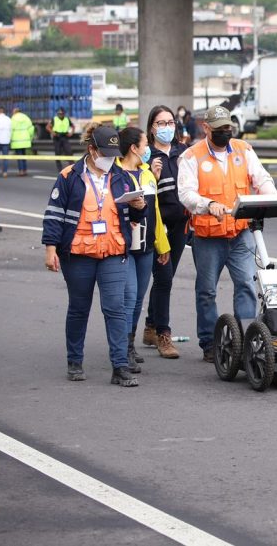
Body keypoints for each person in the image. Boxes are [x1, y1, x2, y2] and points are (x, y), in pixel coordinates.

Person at [177, 106, 277, 362]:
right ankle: (210, 343)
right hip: (208, 238)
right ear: (206, 129)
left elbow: (261, 178)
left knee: (247, 285)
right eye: (219, 129)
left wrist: (276, 198)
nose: (225, 132)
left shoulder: (244, 149)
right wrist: (208, 205)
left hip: (241, 234)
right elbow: (186, 194)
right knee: (207, 291)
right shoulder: (190, 157)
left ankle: (246, 339)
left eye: (228, 128)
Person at [42, 124, 147, 386]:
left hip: (113, 252)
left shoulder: (123, 177)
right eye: (106, 154)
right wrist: (50, 248)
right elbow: (54, 215)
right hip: (78, 254)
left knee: (116, 308)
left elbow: (133, 217)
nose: (110, 160)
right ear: (91, 149)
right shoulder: (69, 176)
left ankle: (120, 367)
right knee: (79, 309)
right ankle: (74, 361)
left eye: (114, 154)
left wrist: (139, 207)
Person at [117, 126, 171, 372]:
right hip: (125, 248)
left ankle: (129, 343)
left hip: (147, 247)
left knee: (138, 298)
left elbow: (156, 212)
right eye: (144, 144)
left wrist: (163, 245)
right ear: (133, 148)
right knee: (128, 298)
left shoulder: (148, 174)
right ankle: (123, 349)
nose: (148, 148)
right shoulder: (115, 174)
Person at [141, 106, 188, 358]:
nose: (167, 127)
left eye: (170, 122)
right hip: (157, 226)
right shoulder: (146, 155)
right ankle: (163, 334)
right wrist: (154, 176)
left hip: (180, 225)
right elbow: (143, 191)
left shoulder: (184, 153)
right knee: (164, 279)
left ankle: (150, 324)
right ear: (152, 128)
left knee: (164, 278)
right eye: (161, 123)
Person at [10, 106, 35, 176]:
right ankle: (25, 170)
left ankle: (20, 171)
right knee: (23, 156)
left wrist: (10, 138)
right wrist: (30, 137)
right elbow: (31, 128)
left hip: (16, 141)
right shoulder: (26, 117)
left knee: (19, 156)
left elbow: (11, 130)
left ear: (15, 112)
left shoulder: (13, 118)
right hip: (25, 140)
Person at [46, 107, 74, 171]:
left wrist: (71, 132)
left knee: (69, 151)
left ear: (64, 114)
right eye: (59, 114)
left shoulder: (67, 119)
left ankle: (72, 167)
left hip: (65, 136)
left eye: (62, 114)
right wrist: (52, 132)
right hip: (57, 137)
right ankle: (59, 168)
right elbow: (47, 127)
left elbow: (73, 126)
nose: (60, 115)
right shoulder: (54, 119)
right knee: (58, 152)